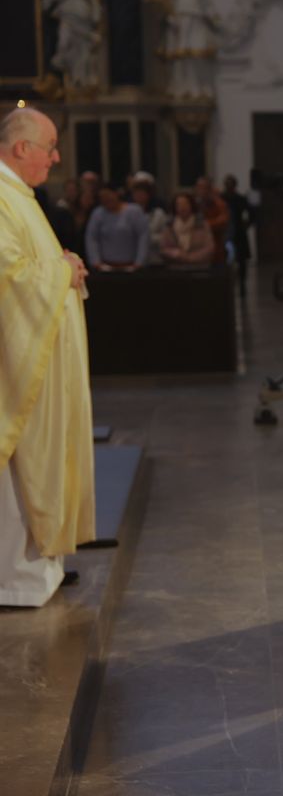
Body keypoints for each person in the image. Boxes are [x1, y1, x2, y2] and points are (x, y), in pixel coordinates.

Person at [0, 107, 95, 606]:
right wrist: (61, 271)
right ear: (21, 149)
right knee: (22, 466)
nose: (56, 158)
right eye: (51, 147)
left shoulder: (20, 197)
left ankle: (43, 566)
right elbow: (10, 280)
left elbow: (33, 265)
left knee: (43, 459)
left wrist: (64, 265)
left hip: (38, 359)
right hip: (14, 369)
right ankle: (15, 578)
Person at [85, 182, 148, 269]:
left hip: (131, 265)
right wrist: (96, 262)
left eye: (108, 196)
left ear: (116, 194)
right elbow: (91, 238)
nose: (106, 200)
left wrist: (139, 262)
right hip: (106, 266)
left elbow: (143, 237)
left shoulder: (135, 211)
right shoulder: (98, 213)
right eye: (103, 198)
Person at [159, 192, 213, 266]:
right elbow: (163, 248)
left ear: (191, 205)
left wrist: (190, 258)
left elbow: (209, 247)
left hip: (199, 267)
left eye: (185, 204)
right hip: (175, 266)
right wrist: (175, 253)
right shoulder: (169, 225)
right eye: (179, 204)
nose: (182, 207)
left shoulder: (201, 224)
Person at [222, 175, 254, 292]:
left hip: (239, 232)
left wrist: (246, 225)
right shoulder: (221, 199)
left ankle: (242, 285)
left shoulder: (240, 199)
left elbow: (251, 213)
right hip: (225, 232)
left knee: (241, 261)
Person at [193, 175, 228, 265]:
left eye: (204, 187)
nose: (201, 190)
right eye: (199, 187)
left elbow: (223, 221)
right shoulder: (194, 204)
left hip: (216, 247)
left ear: (209, 189)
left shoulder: (219, 204)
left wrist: (204, 225)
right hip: (196, 248)